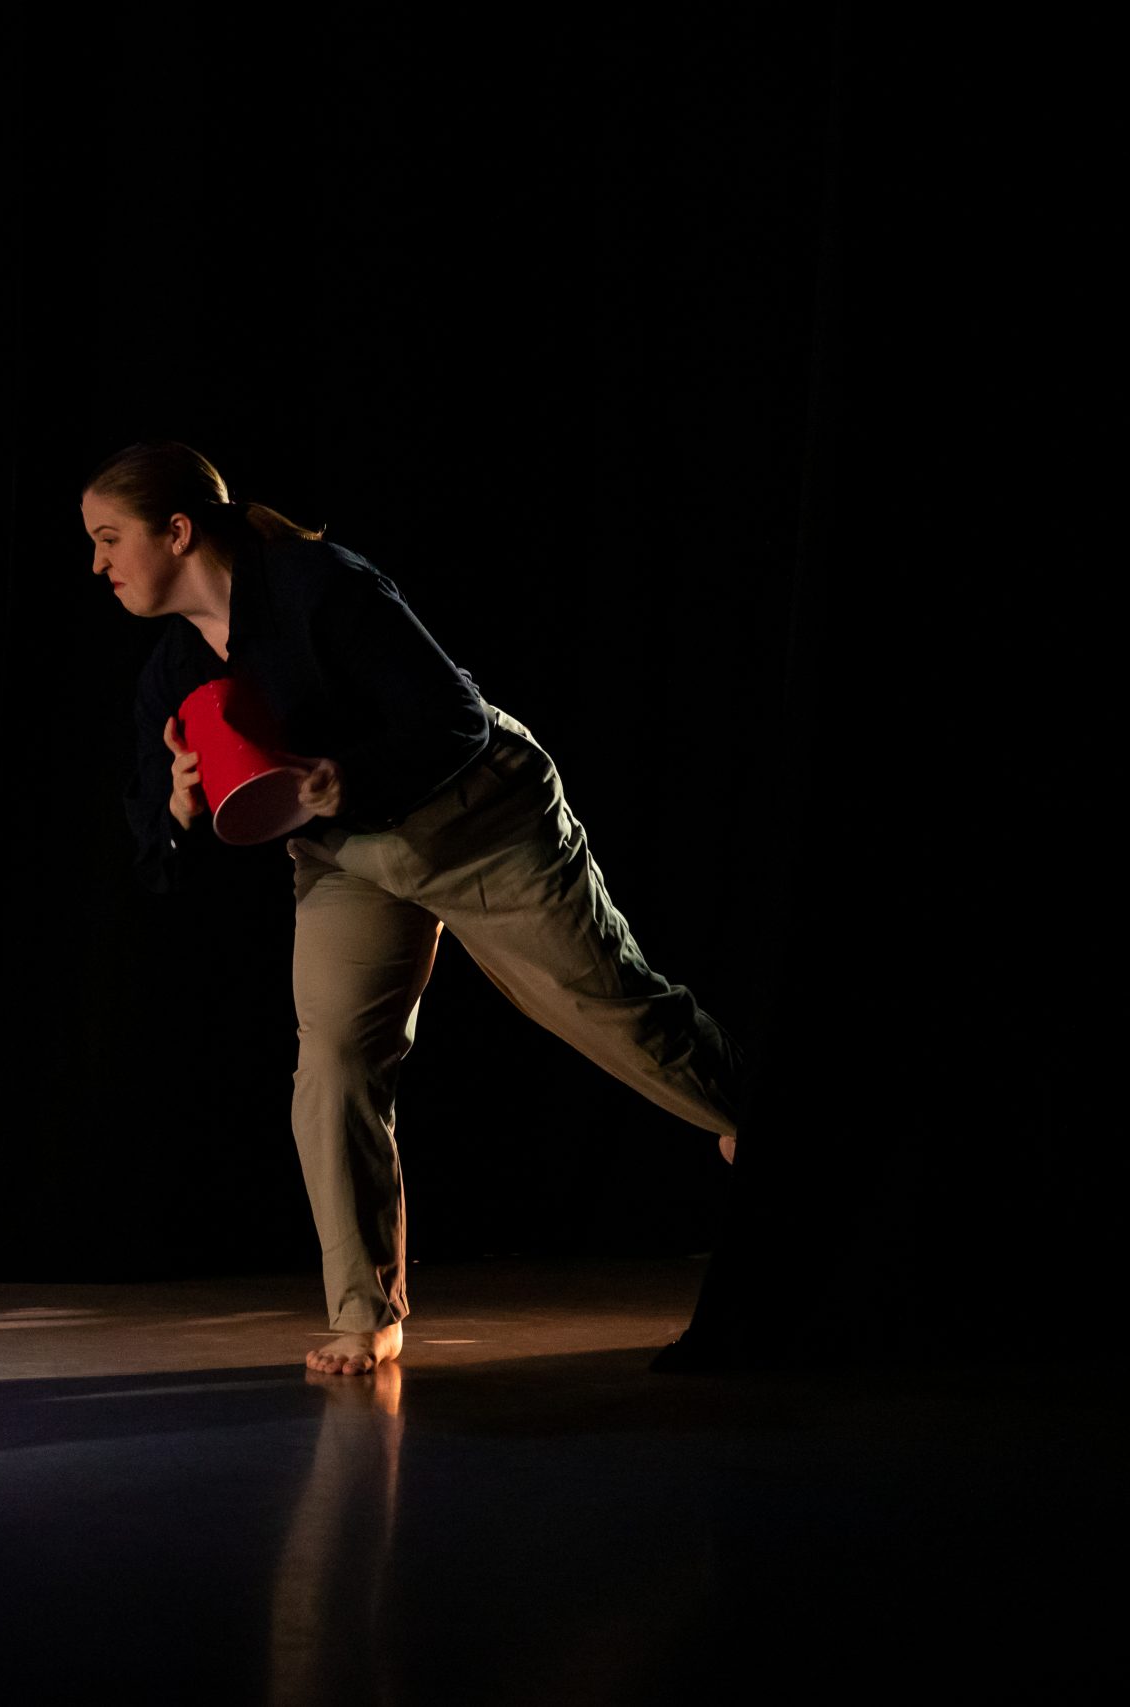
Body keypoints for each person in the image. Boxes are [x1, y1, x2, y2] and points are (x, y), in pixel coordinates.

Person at [86, 441, 746, 1375]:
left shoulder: (318, 584)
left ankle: (758, 1120)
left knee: (611, 1009)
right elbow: (158, 837)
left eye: (110, 538)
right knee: (334, 1064)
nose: (99, 563)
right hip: (347, 855)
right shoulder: (172, 670)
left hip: (475, 819)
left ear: (178, 531)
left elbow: (454, 719)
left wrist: (345, 773)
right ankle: (366, 1314)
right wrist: (181, 810)